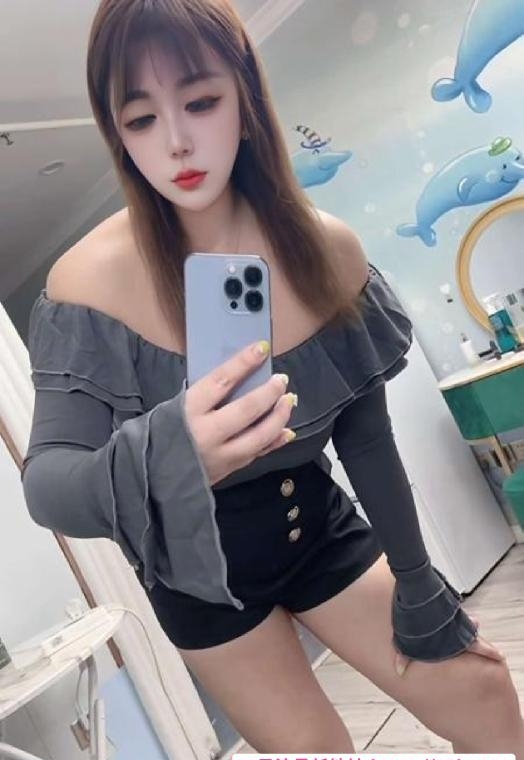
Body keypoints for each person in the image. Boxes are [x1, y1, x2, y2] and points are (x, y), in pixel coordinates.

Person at [21, 0, 524, 754]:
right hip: (197, 574)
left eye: (200, 101)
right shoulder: (88, 283)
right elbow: (48, 485)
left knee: (484, 691)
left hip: (312, 523)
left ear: (245, 97)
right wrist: (170, 451)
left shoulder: (328, 251)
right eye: (141, 118)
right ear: (117, 133)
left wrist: (419, 579)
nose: (177, 141)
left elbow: (366, 435)